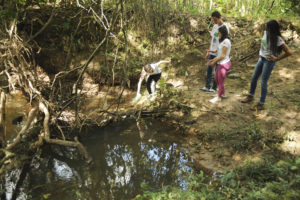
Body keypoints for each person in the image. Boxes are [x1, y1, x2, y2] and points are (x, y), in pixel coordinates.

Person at [241, 20, 292, 110]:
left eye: (267, 26)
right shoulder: (265, 33)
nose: (265, 27)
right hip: (261, 58)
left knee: (263, 81)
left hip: (269, 61)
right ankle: (250, 96)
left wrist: (276, 59)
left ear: (271, 28)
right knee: (254, 77)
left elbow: (289, 52)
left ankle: (261, 103)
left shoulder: (277, 39)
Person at [200, 11, 229, 93]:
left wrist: (221, 52)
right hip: (212, 51)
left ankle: (214, 88)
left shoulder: (225, 27)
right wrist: (208, 51)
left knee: (217, 71)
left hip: (219, 52)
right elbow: (213, 40)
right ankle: (207, 86)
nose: (214, 21)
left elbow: (225, 40)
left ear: (220, 17)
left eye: (215, 19)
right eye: (213, 20)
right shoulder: (215, 26)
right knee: (209, 69)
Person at [208, 26, 232, 103]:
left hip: (224, 63)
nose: (218, 34)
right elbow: (219, 54)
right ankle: (223, 93)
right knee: (217, 79)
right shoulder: (222, 41)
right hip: (220, 63)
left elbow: (223, 55)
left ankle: (218, 97)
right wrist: (213, 59)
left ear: (222, 33)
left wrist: (214, 62)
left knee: (220, 81)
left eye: (219, 33)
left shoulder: (226, 42)